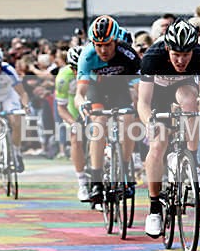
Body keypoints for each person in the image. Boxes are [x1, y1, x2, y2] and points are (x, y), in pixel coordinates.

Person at [137, 18, 200, 238]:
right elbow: (143, 102)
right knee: (157, 145)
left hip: (182, 89)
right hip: (157, 97)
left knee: (189, 101)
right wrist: (150, 123)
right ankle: (154, 207)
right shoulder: (152, 57)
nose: (181, 60)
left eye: (186, 55)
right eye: (176, 55)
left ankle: (192, 158)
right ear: (167, 48)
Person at [74, 15, 141, 204]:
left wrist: (138, 108)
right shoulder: (87, 56)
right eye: (98, 45)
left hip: (119, 89)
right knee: (99, 123)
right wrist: (81, 104)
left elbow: (138, 90)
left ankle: (126, 169)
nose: (103, 50)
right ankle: (96, 180)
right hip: (97, 91)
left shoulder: (128, 54)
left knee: (128, 120)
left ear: (116, 41)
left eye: (108, 45)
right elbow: (80, 92)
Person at [55, 46, 90, 201]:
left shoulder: (94, 68)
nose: (78, 71)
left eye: (80, 67)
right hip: (73, 108)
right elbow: (61, 108)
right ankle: (82, 182)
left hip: (93, 101)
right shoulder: (63, 77)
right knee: (76, 135)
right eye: (74, 68)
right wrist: (73, 122)